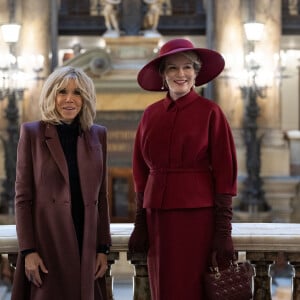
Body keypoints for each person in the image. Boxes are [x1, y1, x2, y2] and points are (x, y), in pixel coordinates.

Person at [128, 38, 237, 300]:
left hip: (198, 217)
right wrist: (140, 223)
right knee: (162, 288)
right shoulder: (150, 114)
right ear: (163, 76)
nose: (181, 74)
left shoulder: (211, 112)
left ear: (196, 73)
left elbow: (225, 172)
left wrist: (223, 232)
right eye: (172, 68)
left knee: (193, 289)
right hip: (156, 217)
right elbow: (140, 170)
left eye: (187, 67)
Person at [11, 66, 111, 300]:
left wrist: (102, 249)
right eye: (62, 92)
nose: (69, 99)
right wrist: (28, 250)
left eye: (77, 93)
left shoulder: (98, 135)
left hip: (85, 242)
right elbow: (23, 198)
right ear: (51, 96)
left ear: (85, 99)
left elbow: (102, 198)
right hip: (47, 243)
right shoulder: (32, 133)